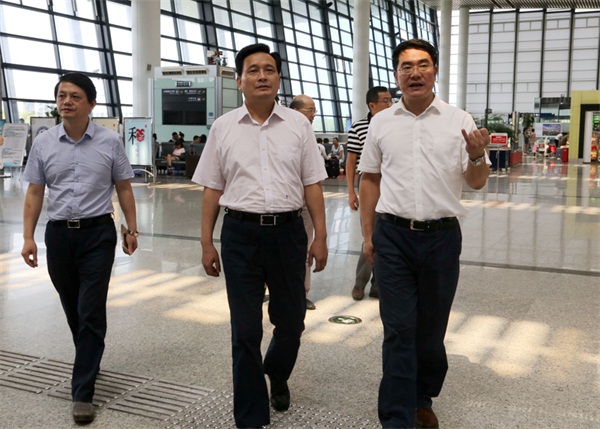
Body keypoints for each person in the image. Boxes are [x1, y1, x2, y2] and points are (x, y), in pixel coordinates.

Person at [192, 43, 328, 429]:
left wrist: (320, 236)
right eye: (253, 70)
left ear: (279, 79)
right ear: (240, 81)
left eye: (269, 69)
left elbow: (312, 184)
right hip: (240, 235)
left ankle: (278, 372)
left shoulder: (298, 125)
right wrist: (206, 242)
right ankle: (251, 417)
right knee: (245, 329)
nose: (262, 76)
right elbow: (212, 188)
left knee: (292, 321)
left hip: (288, 233)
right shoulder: (223, 127)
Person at [358, 39, 490, 429]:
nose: (415, 72)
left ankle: (422, 397)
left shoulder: (459, 120)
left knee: (431, 330)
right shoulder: (381, 122)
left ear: (435, 71)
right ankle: (397, 417)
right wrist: (368, 236)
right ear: (396, 75)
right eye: (406, 66)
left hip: (442, 239)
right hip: (393, 236)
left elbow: (477, 181)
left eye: (423, 65)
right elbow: (370, 180)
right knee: (399, 329)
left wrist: (477, 155)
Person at [20, 72, 138, 425]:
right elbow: (34, 192)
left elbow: (124, 187)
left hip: (98, 234)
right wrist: (28, 237)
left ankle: (82, 392)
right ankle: (89, 355)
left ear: (91, 104)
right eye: (62, 95)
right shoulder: (44, 142)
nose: (66, 101)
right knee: (73, 308)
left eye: (74, 96)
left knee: (90, 310)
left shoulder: (109, 141)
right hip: (59, 236)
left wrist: (131, 229)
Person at [346, 86, 392, 301]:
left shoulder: (395, 124)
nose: (390, 104)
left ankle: (378, 285)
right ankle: (360, 283)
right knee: (370, 236)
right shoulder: (359, 127)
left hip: (391, 187)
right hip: (369, 184)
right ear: (372, 105)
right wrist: (351, 191)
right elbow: (351, 161)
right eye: (385, 101)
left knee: (387, 238)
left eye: (391, 100)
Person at [289, 94, 323, 311]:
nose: (313, 115)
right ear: (295, 111)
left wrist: (322, 233)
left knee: (305, 249)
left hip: (304, 204)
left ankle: (303, 292)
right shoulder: (281, 133)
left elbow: (314, 179)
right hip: (284, 206)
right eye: (309, 110)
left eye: (314, 111)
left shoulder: (309, 136)